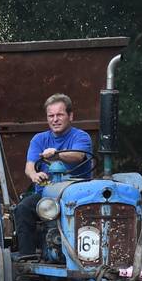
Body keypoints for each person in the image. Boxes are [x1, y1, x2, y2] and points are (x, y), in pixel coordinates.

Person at [14, 94, 92, 258]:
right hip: (46, 197)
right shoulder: (39, 139)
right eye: (51, 115)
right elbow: (29, 166)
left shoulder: (81, 137)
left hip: (76, 198)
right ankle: (27, 259)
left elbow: (78, 155)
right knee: (22, 209)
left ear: (70, 116)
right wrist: (35, 175)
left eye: (60, 115)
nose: (55, 119)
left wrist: (57, 155)